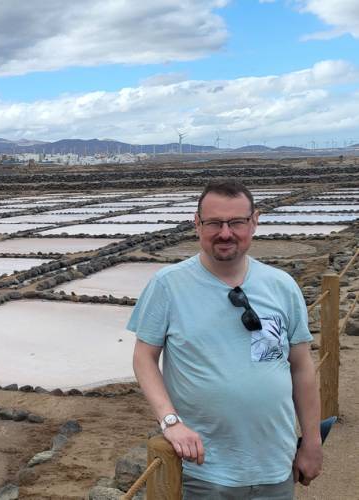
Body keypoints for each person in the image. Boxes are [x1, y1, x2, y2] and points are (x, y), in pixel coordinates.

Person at [127, 180, 322, 499]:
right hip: (204, 469)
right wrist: (170, 421)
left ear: (254, 221)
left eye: (236, 222)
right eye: (214, 223)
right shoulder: (167, 285)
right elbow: (143, 357)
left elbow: (301, 367)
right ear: (197, 223)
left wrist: (312, 443)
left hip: (276, 465)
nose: (225, 233)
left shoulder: (282, 286)